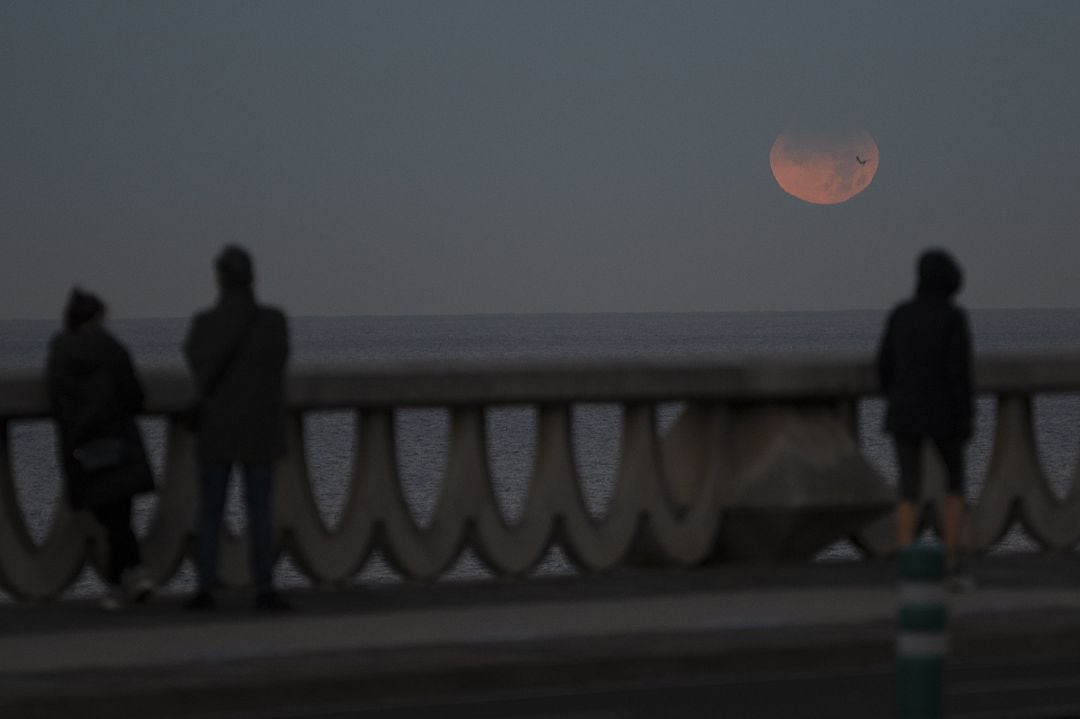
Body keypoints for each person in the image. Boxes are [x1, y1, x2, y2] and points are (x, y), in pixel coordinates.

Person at [183, 245, 290, 611]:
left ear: (219, 280)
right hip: (260, 427)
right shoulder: (273, 322)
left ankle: (204, 587)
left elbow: (196, 365)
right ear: (252, 279)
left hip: (216, 428)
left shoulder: (204, 325)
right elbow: (279, 362)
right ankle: (265, 586)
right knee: (259, 510)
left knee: (210, 510)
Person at [47, 289, 156, 610]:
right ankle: (126, 580)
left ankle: (127, 579)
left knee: (111, 516)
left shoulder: (60, 352)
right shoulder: (111, 347)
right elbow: (134, 395)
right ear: (96, 317)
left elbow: (58, 402)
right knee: (119, 517)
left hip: (82, 446)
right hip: (117, 442)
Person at [877, 248, 973, 589]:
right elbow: (960, 373)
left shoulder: (901, 315)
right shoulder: (953, 318)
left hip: (904, 411)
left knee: (908, 485)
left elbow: (884, 367)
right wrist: (966, 418)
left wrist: (897, 397)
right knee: (956, 482)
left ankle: (905, 555)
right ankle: (950, 556)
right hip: (945, 411)